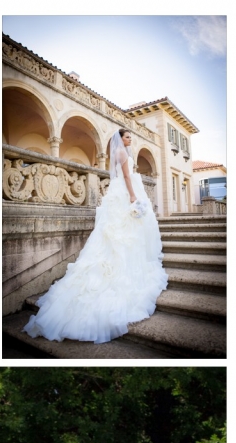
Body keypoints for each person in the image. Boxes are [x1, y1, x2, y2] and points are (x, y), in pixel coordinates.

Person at [26, 130, 167, 345]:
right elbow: (127, 176)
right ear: (121, 139)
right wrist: (132, 195)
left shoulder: (120, 152)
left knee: (118, 234)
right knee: (123, 234)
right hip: (124, 193)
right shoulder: (122, 152)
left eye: (130, 137)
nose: (130, 139)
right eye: (128, 137)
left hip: (116, 194)